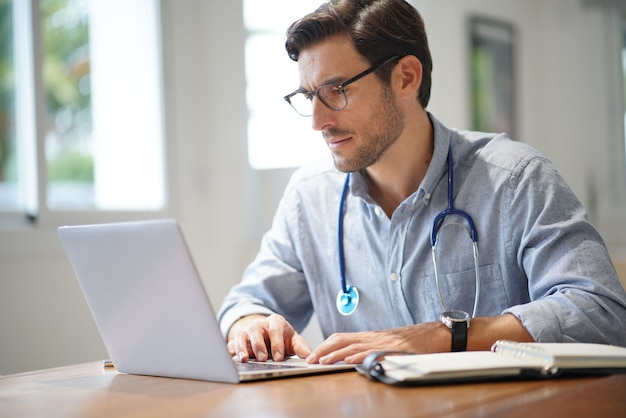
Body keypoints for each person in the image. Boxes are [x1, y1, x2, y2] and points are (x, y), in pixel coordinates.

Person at [218, 0, 626, 365]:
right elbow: (245, 302)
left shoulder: (516, 180)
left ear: (406, 77)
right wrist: (249, 325)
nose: (318, 121)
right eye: (309, 97)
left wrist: (440, 337)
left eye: (337, 91)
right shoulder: (310, 198)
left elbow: (602, 314)